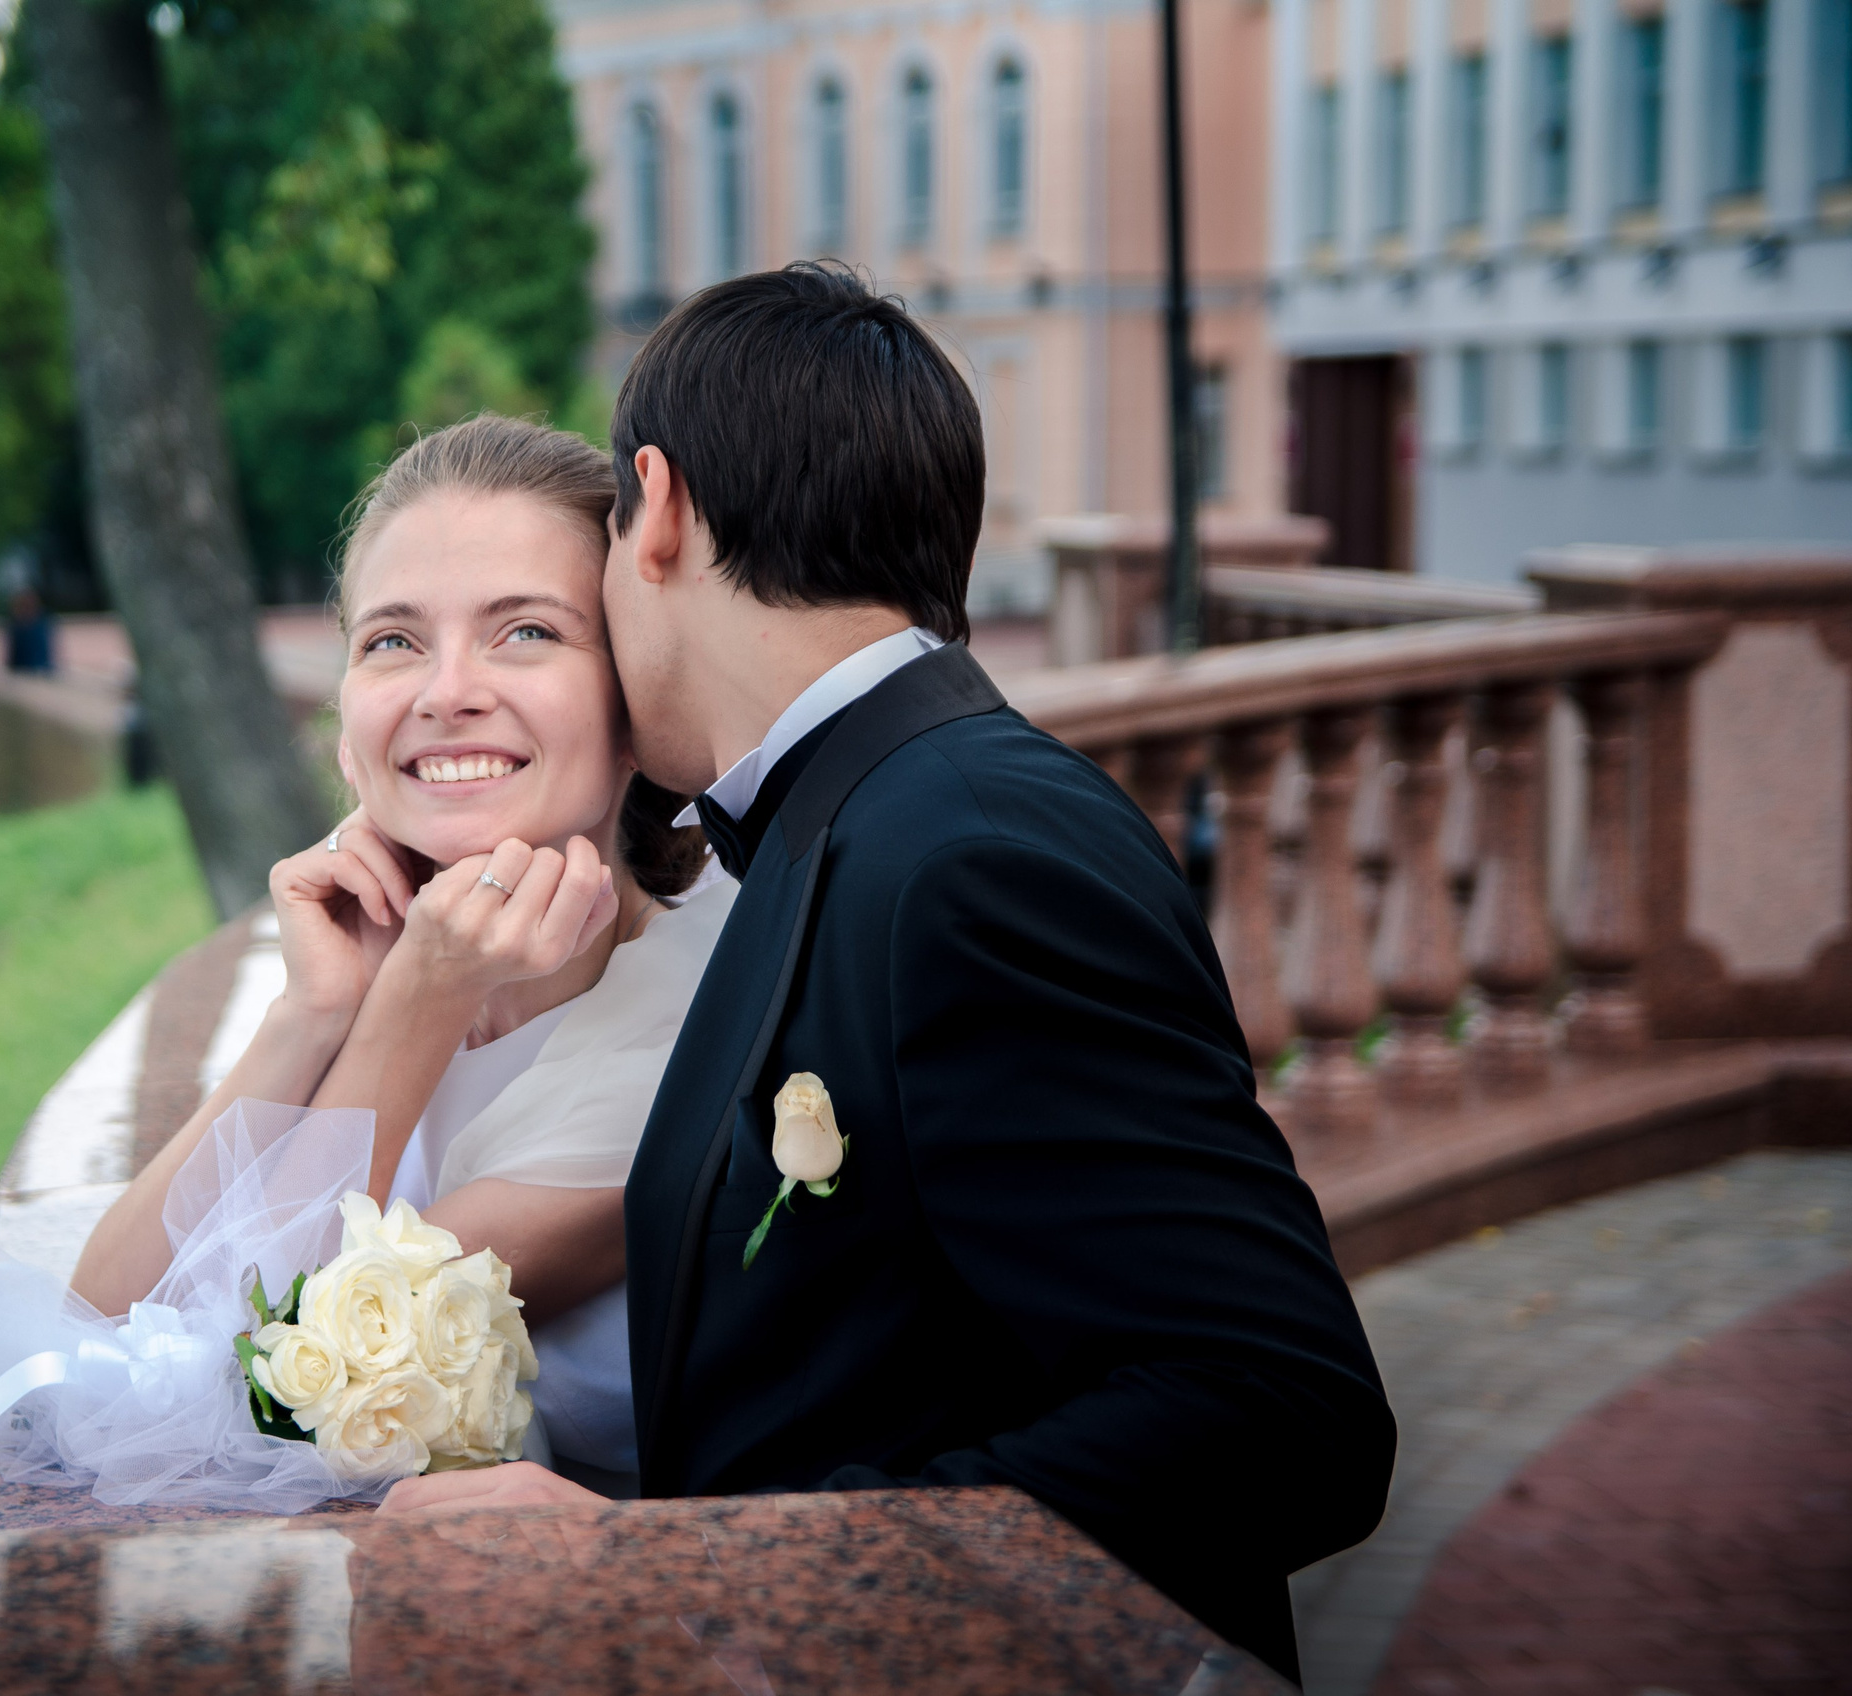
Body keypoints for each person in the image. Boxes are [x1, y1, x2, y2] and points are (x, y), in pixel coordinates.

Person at [375, 265, 1395, 1684]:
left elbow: (1282, 1414)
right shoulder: (847, 822)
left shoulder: (972, 855)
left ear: (655, 508)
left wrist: (669, 1571)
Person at [0, 418, 725, 1502]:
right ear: (347, 721)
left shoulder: (676, 1036)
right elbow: (97, 1322)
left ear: (633, 702)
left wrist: (415, 1000)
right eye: (392, 641)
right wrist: (310, 1014)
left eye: (523, 631)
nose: (446, 692)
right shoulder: (395, 959)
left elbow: (250, 1375)